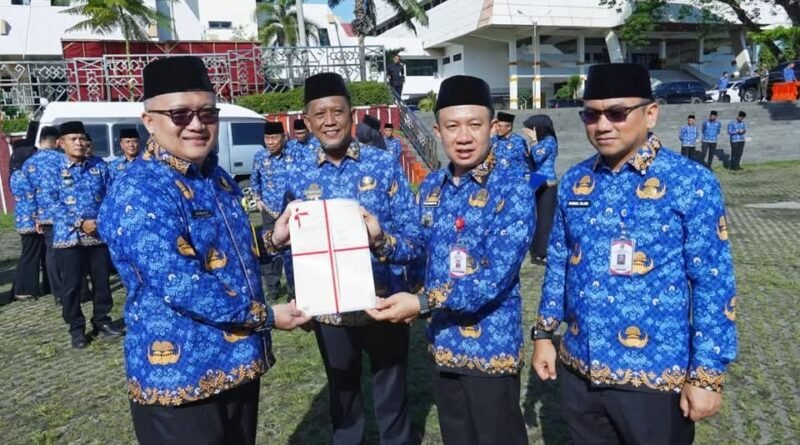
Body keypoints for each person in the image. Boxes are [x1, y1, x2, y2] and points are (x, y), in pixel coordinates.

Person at [97, 56, 310, 444]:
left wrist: (272, 240)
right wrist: (266, 316)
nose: (196, 124)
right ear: (149, 121)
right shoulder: (139, 190)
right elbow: (180, 282)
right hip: (182, 380)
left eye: (208, 113)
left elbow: (228, 253)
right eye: (180, 114)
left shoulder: (216, 177)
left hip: (238, 366)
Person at [531, 63, 737, 445]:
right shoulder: (576, 181)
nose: (602, 125)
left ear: (651, 113)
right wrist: (544, 333)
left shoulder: (690, 183)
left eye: (617, 113)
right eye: (591, 115)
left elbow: (713, 282)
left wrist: (707, 375)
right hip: (581, 369)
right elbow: (558, 262)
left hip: (654, 377)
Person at [365, 75, 534, 445]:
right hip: (442, 343)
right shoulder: (431, 187)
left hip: (490, 348)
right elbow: (416, 246)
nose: (464, 137)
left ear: (492, 127)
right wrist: (381, 240)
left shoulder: (512, 188)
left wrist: (424, 302)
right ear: (438, 132)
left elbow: (495, 276)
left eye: (475, 125)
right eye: (453, 126)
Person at [267, 72, 420, 445]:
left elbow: (414, 238)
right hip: (329, 312)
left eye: (337, 111)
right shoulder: (295, 172)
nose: (330, 121)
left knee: (392, 397)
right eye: (319, 114)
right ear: (306, 121)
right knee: (343, 399)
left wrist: (383, 243)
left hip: (382, 304)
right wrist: (301, 295)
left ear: (351, 115)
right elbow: (290, 244)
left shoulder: (383, 165)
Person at [38, 121, 123, 348]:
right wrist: (79, 223)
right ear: (61, 143)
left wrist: (101, 221)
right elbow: (50, 203)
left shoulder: (99, 166)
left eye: (82, 138)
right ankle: (76, 329)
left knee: (102, 282)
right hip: (68, 238)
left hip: (97, 234)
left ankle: (102, 321)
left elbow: (112, 195)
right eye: (73, 139)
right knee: (72, 286)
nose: (79, 143)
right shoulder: (52, 170)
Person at [250, 121, 294, 302]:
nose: (270, 142)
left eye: (274, 138)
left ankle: (294, 289)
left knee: (292, 250)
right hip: (268, 210)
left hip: (290, 210)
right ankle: (273, 289)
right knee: (269, 250)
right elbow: (254, 180)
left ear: (283, 138)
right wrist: (258, 199)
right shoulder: (260, 157)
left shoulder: (294, 154)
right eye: (267, 138)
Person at [23, 125, 63, 303]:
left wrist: (35, 217)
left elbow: (28, 194)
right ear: (57, 141)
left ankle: (58, 293)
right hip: (65, 213)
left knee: (51, 253)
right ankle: (76, 289)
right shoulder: (63, 159)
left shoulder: (29, 164)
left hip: (44, 214)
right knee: (71, 251)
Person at [9, 139, 44, 302]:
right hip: (31, 220)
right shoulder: (25, 174)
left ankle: (19, 287)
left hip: (23, 218)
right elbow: (31, 199)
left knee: (29, 254)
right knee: (30, 255)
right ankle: (24, 289)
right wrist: (38, 217)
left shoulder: (15, 173)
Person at [523, 115, 558, 265]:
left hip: (547, 184)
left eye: (531, 128)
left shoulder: (549, 140)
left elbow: (537, 157)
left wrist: (533, 140)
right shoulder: (542, 140)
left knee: (545, 219)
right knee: (535, 218)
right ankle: (536, 250)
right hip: (536, 182)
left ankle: (543, 252)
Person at [491, 111, 531, 178]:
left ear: (509, 127)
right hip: (495, 179)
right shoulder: (494, 140)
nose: (497, 128)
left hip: (513, 179)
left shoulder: (518, 141)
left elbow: (525, 163)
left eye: (500, 126)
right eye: (497, 125)